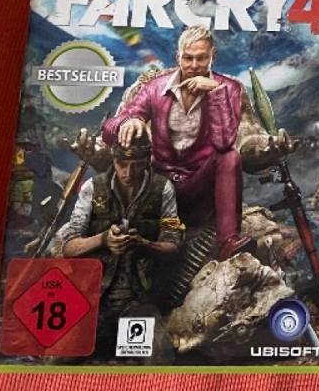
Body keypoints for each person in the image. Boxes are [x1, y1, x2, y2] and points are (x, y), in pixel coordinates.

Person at [104, 26, 292, 262]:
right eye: (188, 58)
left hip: (200, 190)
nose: (194, 65)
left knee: (229, 157)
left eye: (201, 58)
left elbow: (224, 142)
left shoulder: (230, 89)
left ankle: (228, 242)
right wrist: (127, 122)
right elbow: (108, 131)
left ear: (213, 56)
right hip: (157, 188)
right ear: (178, 57)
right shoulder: (155, 88)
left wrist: (216, 94)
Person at [57, 133, 181, 362]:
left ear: (147, 162)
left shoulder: (163, 189)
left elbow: (172, 246)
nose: (128, 173)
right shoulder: (92, 188)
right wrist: (103, 239)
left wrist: (143, 244)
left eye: (137, 165)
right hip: (93, 299)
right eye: (122, 164)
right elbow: (69, 247)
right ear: (113, 160)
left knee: (159, 359)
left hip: (138, 301)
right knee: (57, 358)